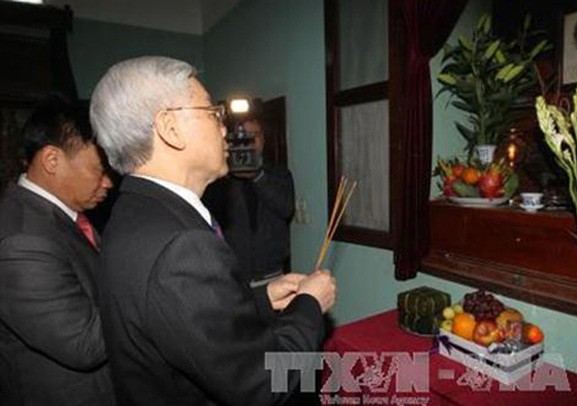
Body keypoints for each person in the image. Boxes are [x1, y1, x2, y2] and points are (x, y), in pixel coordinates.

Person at [89, 56, 336, 405]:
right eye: (211, 112)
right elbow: (262, 383)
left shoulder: (133, 211)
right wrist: (310, 304)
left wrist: (262, 300)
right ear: (170, 127)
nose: (225, 128)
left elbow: (184, 320)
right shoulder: (182, 245)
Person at [0, 96, 115, 406]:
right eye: (100, 169)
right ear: (52, 160)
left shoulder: (65, 215)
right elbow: (84, 343)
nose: (108, 183)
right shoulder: (22, 240)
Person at [202, 116, 295, 285]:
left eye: (254, 136)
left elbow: (286, 208)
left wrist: (257, 176)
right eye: (243, 138)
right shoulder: (220, 178)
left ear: (263, 140)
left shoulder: (278, 174)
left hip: (271, 275)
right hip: (232, 277)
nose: (249, 143)